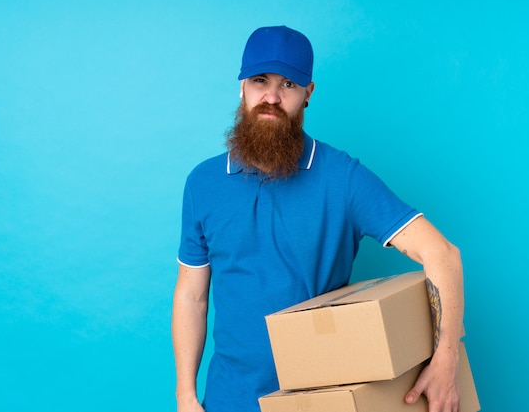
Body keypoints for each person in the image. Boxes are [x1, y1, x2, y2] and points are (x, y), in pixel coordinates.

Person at [172, 25, 464, 412]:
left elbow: (443, 254)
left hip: (318, 399)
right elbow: (192, 295)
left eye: (288, 84)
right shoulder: (202, 184)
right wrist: (186, 396)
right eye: (260, 81)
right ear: (242, 86)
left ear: (308, 94)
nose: (272, 97)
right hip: (227, 399)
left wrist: (446, 362)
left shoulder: (342, 178)